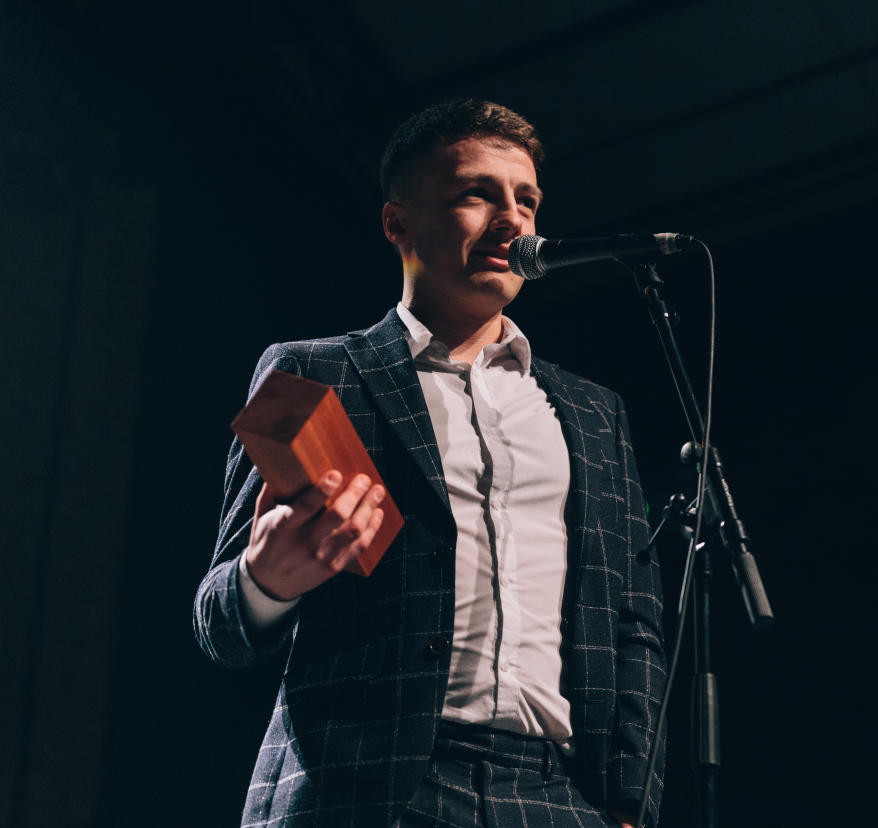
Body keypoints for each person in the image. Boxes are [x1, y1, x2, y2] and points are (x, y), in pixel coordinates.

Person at [193, 100, 666, 827]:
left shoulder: (594, 412)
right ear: (398, 224)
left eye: (527, 199)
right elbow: (217, 620)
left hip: (557, 796)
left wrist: (632, 803)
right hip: (368, 788)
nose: (513, 219)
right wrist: (265, 581)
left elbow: (633, 620)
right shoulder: (313, 375)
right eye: (478, 194)